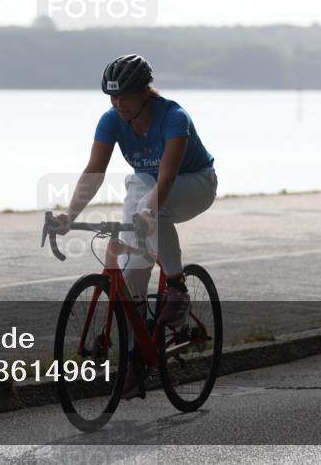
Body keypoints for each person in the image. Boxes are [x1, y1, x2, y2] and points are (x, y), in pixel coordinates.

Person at [53, 54, 218, 399]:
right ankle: (135, 359)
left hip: (195, 184)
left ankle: (176, 286)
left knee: (148, 203)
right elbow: (94, 170)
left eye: (125, 96)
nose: (118, 105)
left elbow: (168, 176)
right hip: (149, 187)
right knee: (131, 274)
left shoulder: (174, 118)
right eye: (112, 98)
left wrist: (149, 211)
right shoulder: (112, 120)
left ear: (145, 91)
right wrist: (70, 214)